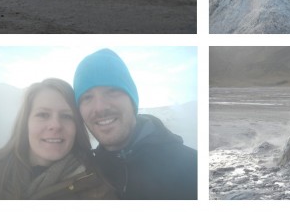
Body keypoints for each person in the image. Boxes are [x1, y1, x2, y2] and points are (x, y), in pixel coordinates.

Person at [74, 48, 198, 199]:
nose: (100, 107)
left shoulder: (192, 168)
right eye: (87, 97)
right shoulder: (83, 176)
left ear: (132, 101)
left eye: (112, 91)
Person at [0, 78, 116, 199]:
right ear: (26, 122)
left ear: (77, 127)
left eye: (66, 116)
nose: (55, 125)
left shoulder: (97, 189)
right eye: (43, 115)